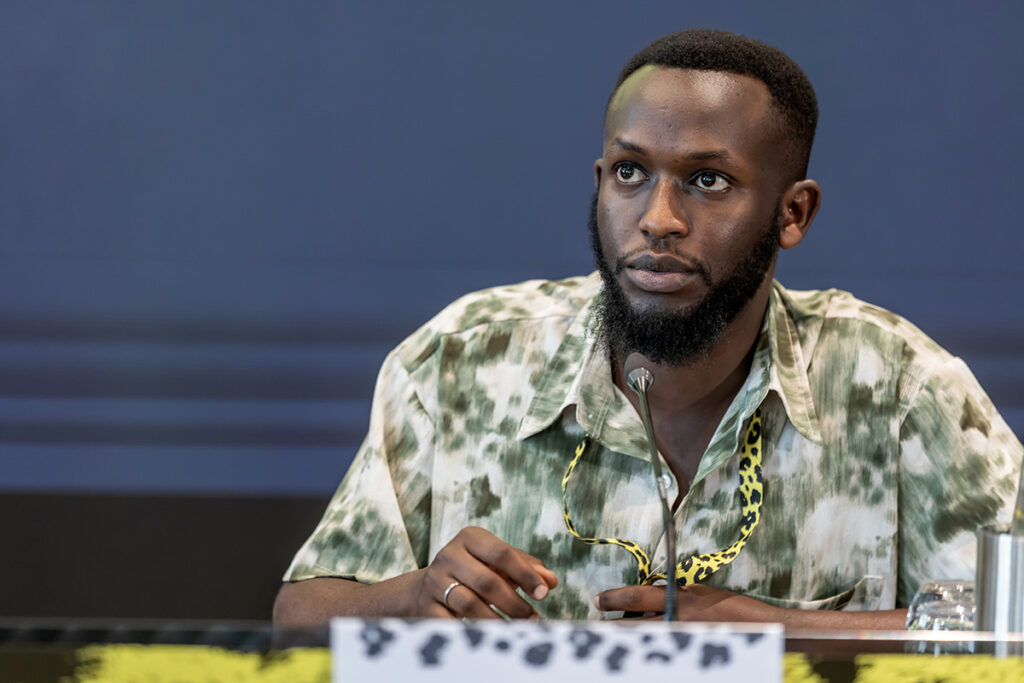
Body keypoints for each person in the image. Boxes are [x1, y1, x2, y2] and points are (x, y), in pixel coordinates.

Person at [273, 29, 1022, 628]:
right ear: (600, 183)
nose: (659, 220)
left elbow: (1014, 624)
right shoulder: (462, 360)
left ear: (793, 212)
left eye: (708, 181)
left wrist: (781, 634)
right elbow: (300, 613)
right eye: (631, 173)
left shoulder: (897, 385)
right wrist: (411, 597)